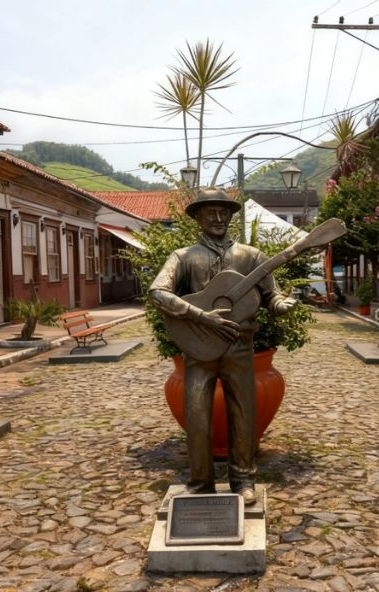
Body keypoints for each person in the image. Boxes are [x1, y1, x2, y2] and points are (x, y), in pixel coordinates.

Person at [149, 188, 296, 505]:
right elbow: (158, 293)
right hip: (199, 350)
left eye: (223, 212)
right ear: (197, 217)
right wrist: (200, 315)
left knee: (243, 414)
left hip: (240, 345)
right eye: (210, 212)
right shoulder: (183, 257)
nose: (217, 218)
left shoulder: (251, 256)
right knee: (196, 415)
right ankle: (200, 481)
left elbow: (272, 294)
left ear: (231, 216)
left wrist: (281, 304)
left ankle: (243, 480)